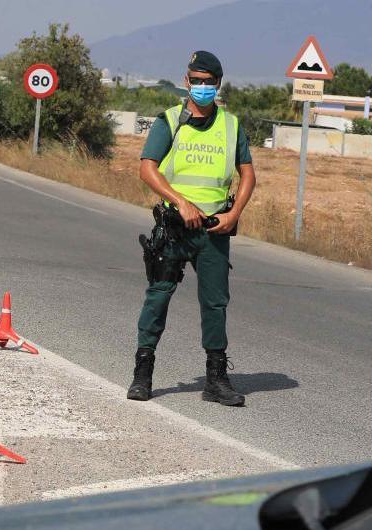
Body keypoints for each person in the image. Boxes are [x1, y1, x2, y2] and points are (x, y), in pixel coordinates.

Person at [128, 50, 256, 406]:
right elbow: (147, 168)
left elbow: (248, 173)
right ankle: (143, 372)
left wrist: (234, 214)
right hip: (175, 227)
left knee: (215, 304)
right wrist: (179, 201)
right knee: (159, 294)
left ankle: (216, 379)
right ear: (186, 81)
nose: (201, 88)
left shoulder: (231, 125)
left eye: (208, 83)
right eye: (196, 81)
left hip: (214, 228)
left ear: (218, 83)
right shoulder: (169, 120)